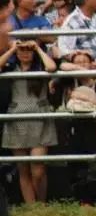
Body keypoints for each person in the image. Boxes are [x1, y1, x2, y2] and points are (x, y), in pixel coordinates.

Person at [1, 38, 58, 203]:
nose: (25, 53)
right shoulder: (10, 68)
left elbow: (52, 67)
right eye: (22, 50)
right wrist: (13, 49)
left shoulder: (40, 68)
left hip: (40, 118)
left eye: (28, 50)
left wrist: (38, 48)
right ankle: (32, 208)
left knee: (38, 169)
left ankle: (41, 204)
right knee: (23, 170)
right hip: (16, 119)